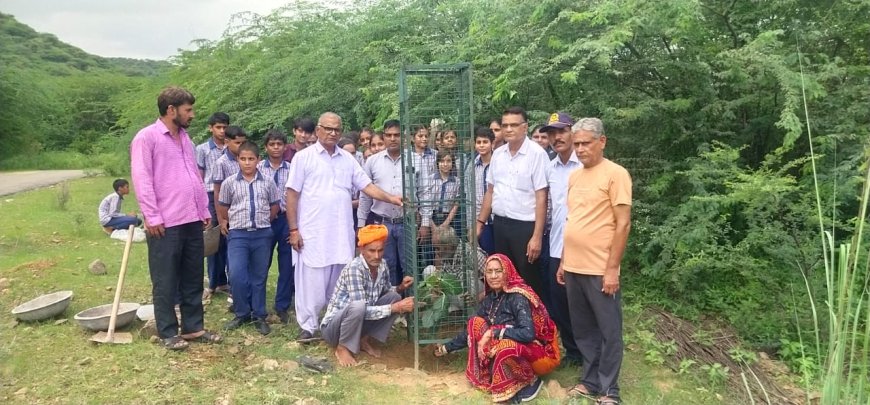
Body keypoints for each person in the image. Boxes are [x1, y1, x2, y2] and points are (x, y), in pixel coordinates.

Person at [285, 112, 403, 343]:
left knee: (340, 280)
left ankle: (336, 324)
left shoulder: (347, 159)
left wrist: (391, 198)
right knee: (312, 280)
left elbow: (367, 186)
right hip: (312, 232)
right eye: (327, 128)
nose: (332, 133)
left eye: (336, 129)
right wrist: (293, 230)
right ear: (318, 130)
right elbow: (292, 194)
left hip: (340, 232)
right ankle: (308, 327)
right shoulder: (304, 158)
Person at [130, 86, 222, 351]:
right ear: (171, 110)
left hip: (192, 219)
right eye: (188, 110)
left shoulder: (186, 138)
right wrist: (152, 215)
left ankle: (193, 328)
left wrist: (203, 210)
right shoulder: (146, 138)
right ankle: (168, 331)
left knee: (193, 276)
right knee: (165, 278)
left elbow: (194, 175)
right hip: (165, 223)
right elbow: (142, 178)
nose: (192, 115)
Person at [557, 117, 631, 405]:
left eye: (586, 143)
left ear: (602, 142)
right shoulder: (575, 176)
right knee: (584, 329)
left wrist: (612, 268)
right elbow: (572, 220)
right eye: (576, 144)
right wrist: (564, 260)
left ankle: (610, 390)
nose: (580, 149)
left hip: (600, 268)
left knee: (608, 330)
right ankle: (589, 382)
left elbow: (622, 224)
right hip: (574, 266)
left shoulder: (616, 174)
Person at [434, 254, 559, 404]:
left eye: (498, 271)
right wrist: (446, 348)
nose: (493, 276)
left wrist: (496, 332)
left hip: (536, 352)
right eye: (489, 271)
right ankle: (490, 376)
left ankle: (530, 381)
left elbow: (528, 333)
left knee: (504, 347)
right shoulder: (490, 299)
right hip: (506, 347)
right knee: (475, 323)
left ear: (507, 271)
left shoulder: (517, 297)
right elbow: (471, 330)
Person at [476, 107, 549, 298]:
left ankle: (534, 323)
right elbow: (491, 191)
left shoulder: (537, 155)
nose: (508, 129)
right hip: (500, 225)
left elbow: (542, 197)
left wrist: (536, 237)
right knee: (504, 276)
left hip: (525, 227)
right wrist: (480, 223)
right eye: (505, 125)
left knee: (528, 279)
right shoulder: (498, 154)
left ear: (525, 128)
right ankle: (510, 321)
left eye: (514, 125)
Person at [321, 225, 415, 366]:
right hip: (333, 330)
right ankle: (342, 348)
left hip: (358, 320)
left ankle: (363, 340)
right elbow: (361, 309)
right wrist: (395, 308)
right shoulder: (355, 269)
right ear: (362, 250)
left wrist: (401, 287)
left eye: (380, 250)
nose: (376, 256)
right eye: (372, 251)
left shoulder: (382, 265)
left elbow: (387, 290)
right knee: (359, 306)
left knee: (394, 297)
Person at [217, 141, 280, 335]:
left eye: (251, 159)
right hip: (238, 235)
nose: (247, 163)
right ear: (237, 160)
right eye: (243, 159)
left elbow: (275, 205)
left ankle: (259, 314)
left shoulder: (268, 181)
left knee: (259, 277)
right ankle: (241, 312)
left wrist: (263, 221)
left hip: (261, 234)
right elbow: (223, 205)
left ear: (258, 160)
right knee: (236, 275)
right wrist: (225, 221)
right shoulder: (229, 183)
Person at [541, 112, 583, 365]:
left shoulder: (586, 165)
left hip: (584, 249)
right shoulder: (551, 167)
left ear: (572, 132)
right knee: (558, 305)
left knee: (583, 305)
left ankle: (591, 352)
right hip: (556, 246)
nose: (557, 137)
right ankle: (574, 351)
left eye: (561, 131)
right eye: (552, 133)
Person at [358, 120, 406, 286]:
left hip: (407, 222)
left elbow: (424, 191)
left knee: (409, 265)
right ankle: (392, 304)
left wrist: (425, 223)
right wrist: (361, 223)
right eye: (389, 135)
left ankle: (413, 305)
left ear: (403, 137)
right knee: (386, 265)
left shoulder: (414, 160)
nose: (393, 138)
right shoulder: (372, 162)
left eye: (397, 135)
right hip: (382, 223)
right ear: (384, 137)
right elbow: (365, 195)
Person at [258, 129, 294, 324]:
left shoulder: (292, 168)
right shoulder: (257, 168)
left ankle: (282, 306)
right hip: (264, 220)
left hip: (287, 219)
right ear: (266, 147)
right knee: (261, 263)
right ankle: (258, 305)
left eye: (279, 144)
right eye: (272, 144)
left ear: (285, 146)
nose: (276, 147)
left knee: (287, 263)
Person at [196, 112, 231, 299]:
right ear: (211, 128)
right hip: (210, 195)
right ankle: (213, 281)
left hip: (230, 194)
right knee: (212, 237)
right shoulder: (202, 149)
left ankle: (224, 281)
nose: (222, 131)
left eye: (225, 127)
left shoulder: (231, 147)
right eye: (218, 127)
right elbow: (199, 176)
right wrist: (201, 202)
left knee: (228, 236)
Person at [424, 150, 460, 267]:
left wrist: (445, 224)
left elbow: (456, 204)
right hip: (431, 217)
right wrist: (433, 226)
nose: (445, 164)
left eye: (448, 161)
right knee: (431, 250)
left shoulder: (457, 181)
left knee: (446, 249)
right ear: (437, 163)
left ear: (452, 163)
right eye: (442, 161)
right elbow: (425, 203)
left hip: (447, 218)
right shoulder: (429, 179)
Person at [466, 126, 494, 254]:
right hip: (478, 221)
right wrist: (470, 223)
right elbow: (468, 197)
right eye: (479, 142)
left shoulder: (499, 163)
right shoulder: (471, 166)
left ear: (492, 143)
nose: (481, 145)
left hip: (497, 220)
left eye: (485, 142)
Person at [211, 126, 247, 201]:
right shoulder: (221, 163)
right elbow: (217, 190)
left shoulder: (249, 159)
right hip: (229, 204)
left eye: (243, 143)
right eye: (237, 143)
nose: (241, 145)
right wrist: (220, 212)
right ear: (227, 142)